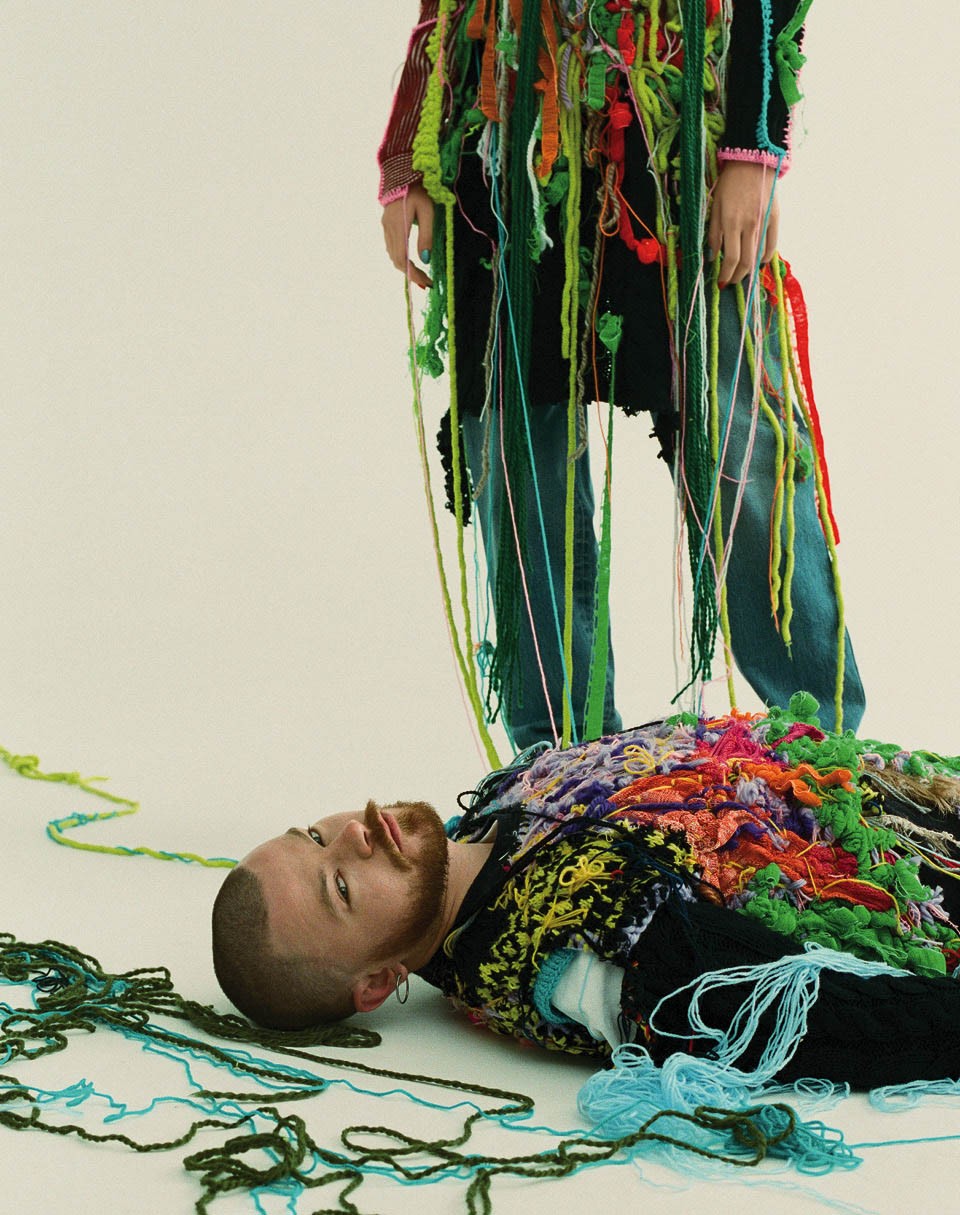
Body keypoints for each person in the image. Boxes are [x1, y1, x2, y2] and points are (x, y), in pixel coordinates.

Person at [378, 1, 865, 752]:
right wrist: (410, 150)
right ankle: (557, 762)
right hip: (507, 139)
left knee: (740, 434)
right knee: (519, 453)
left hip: (671, 126)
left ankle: (820, 747)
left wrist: (753, 145)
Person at [213, 696, 960, 1089]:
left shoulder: (484, 819)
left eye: (313, 835)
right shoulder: (556, 956)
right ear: (378, 982)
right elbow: (788, 1015)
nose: (353, 833)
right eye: (341, 886)